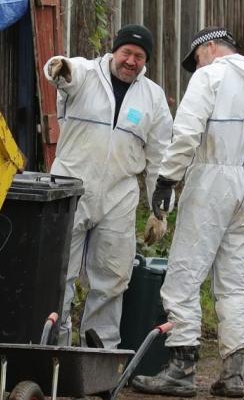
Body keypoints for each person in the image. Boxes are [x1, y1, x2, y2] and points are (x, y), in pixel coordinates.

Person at [131, 27, 244, 398]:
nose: (196, 66)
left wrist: (166, 180)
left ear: (209, 48)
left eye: (196, 58)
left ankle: (181, 367)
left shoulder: (210, 76)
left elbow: (186, 132)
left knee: (185, 274)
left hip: (212, 180)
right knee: (236, 278)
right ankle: (233, 373)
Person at [43, 24, 173, 348]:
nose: (131, 61)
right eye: (127, 52)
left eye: (139, 56)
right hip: (71, 189)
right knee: (59, 277)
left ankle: (98, 357)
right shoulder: (86, 74)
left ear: (146, 61)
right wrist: (60, 67)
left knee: (112, 280)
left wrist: (160, 212)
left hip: (119, 196)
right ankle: (50, 352)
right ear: (115, 51)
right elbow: (61, 72)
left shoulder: (153, 98)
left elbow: (159, 157)